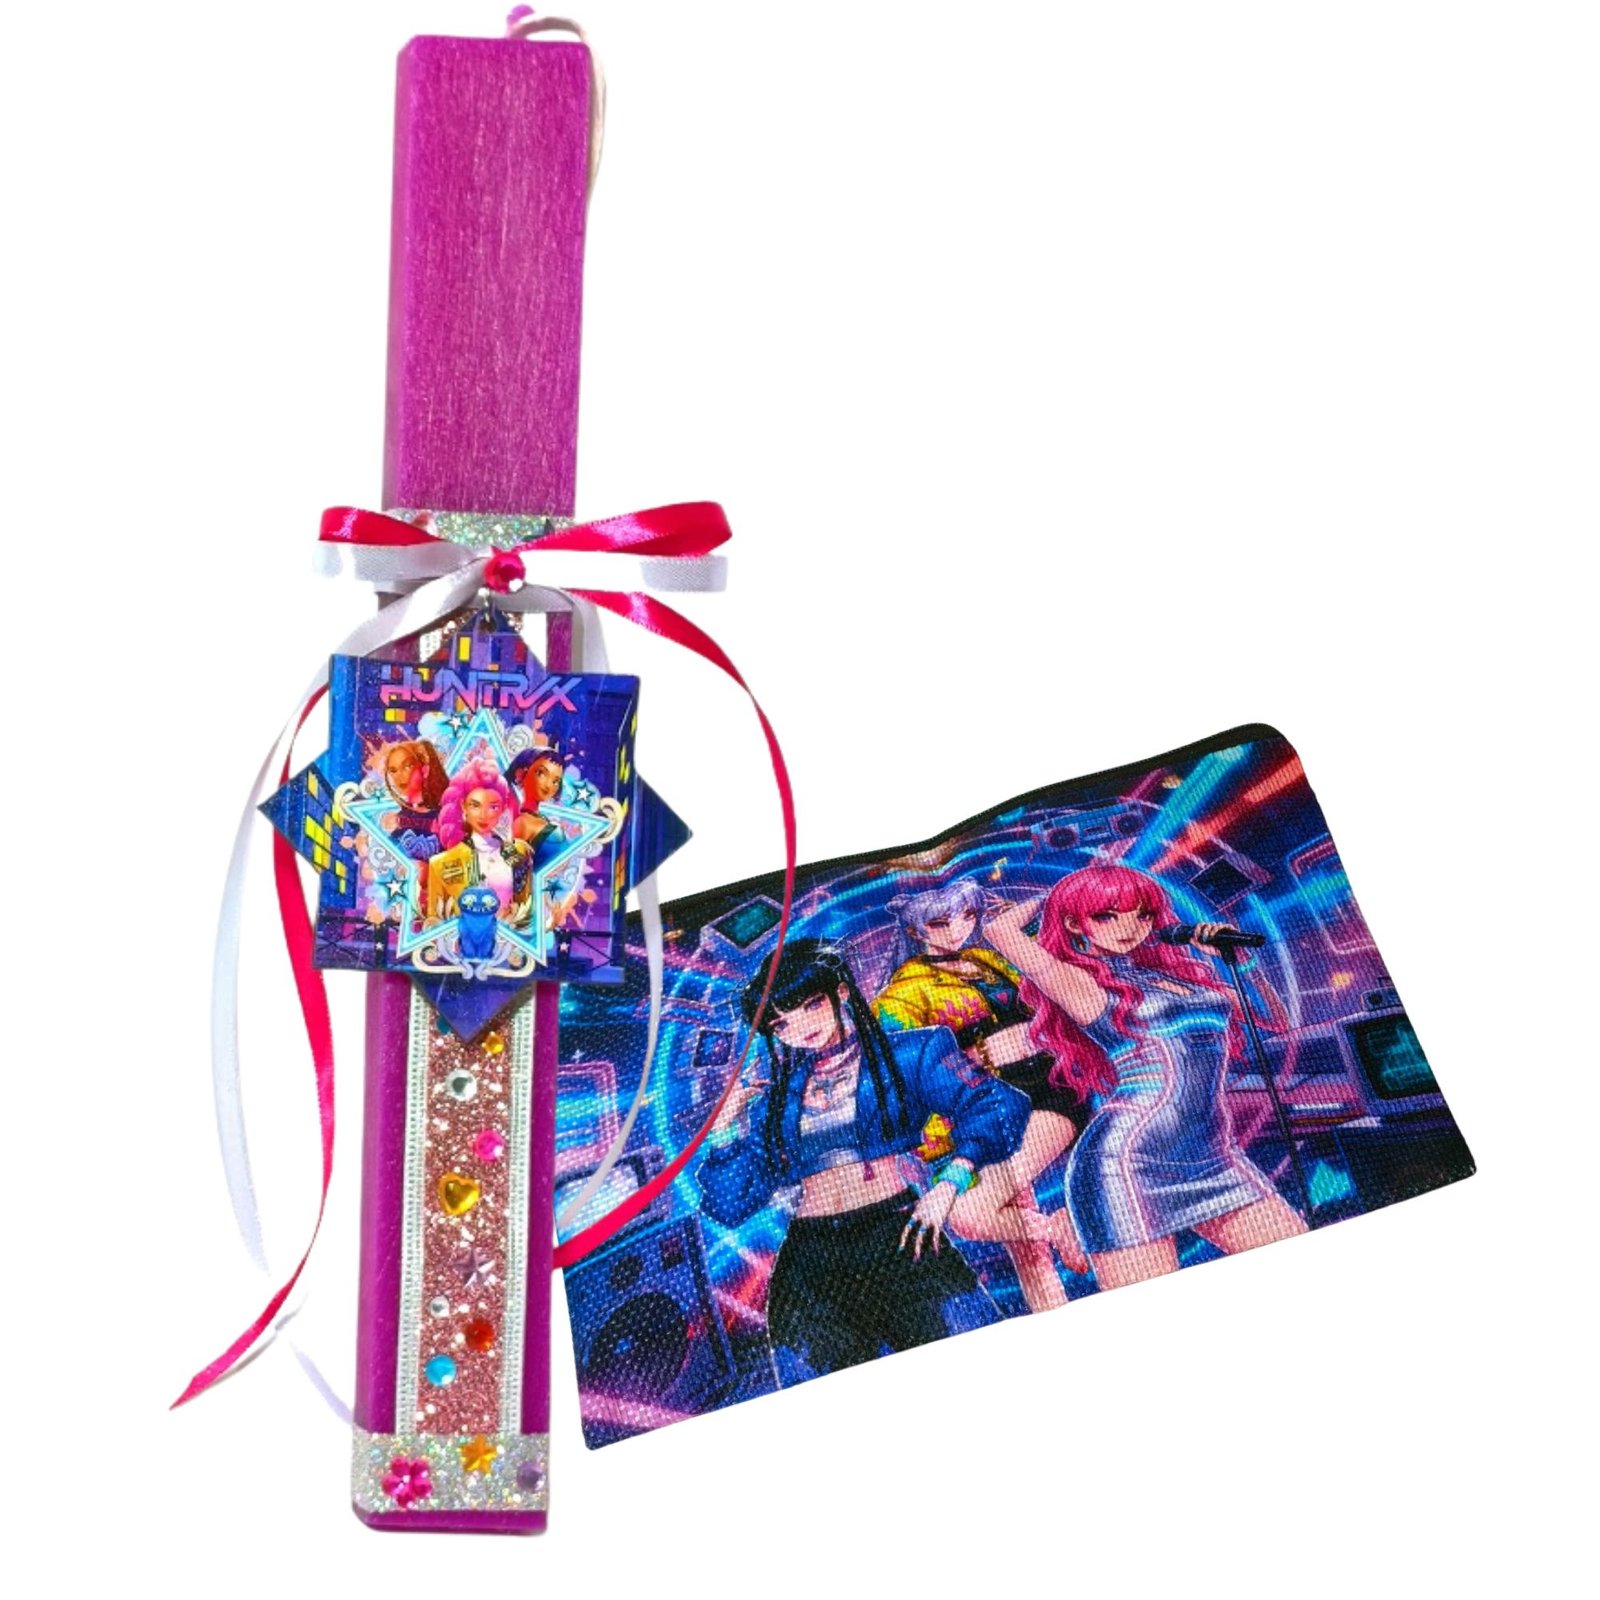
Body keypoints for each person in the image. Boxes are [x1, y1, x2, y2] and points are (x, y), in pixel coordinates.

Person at [695, 939, 1035, 1377]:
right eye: (781, 1024)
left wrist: (951, 1181)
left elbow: (996, 1103)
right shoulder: (775, 1101)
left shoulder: (911, 1052)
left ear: (840, 992)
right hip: (810, 1258)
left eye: (810, 1005)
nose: (800, 1027)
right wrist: (724, 1130)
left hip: (899, 1235)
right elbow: (731, 1204)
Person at [985, 864, 1306, 1291]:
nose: (1127, 928)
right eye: (1106, 915)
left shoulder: (1175, 977)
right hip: (1127, 1163)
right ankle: (1067, 1222)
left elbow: (1272, 1018)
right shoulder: (1080, 983)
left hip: (1215, 1155)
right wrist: (1061, 897)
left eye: (1141, 914)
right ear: (1074, 922)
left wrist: (1242, 962)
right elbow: (999, 931)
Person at [876, 879, 1088, 1309]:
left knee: (972, 1214)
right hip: (982, 1106)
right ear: (915, 930)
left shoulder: (988, 959)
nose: (957, 929)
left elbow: (1054, 988)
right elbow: (900, 1064)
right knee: (1026, 1250)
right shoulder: (905, 989)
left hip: (1048, 1089)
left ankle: (1066, 1229)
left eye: (967, 916)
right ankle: (1053, 1249)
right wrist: (976, 1057)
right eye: (940, 923)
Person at [424, 758, 533, 924]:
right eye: (475, 805)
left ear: (503, 808)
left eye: (493, 807)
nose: (483, 815)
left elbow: (527, 914)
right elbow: (435, 924)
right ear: (463, 807)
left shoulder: (520, 852)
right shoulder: (440, 863)